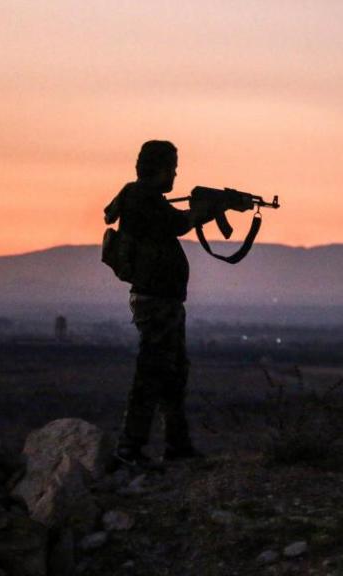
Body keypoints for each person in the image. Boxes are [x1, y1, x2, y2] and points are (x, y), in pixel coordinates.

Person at [106, 140, 249, 467]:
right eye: (171, 168)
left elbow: (176, 221)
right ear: (157, 169)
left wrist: (216, 206)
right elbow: (177, 224)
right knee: (152, 372)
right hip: (156, 300)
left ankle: (177, 445)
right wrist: (214, 208)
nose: (174, 175)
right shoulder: (141, 199)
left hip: (163, 300)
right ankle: (130, 447)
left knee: (173, 373)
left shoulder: (145, 199)